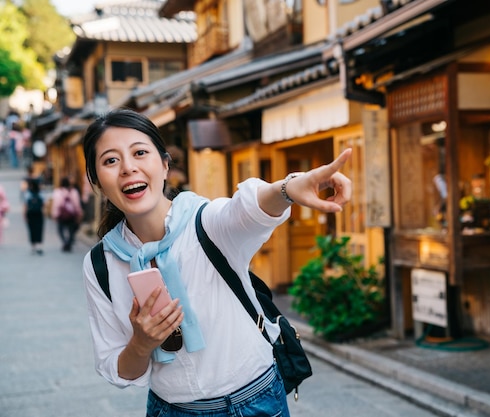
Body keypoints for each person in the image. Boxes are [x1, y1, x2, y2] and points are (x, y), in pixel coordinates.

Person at [81, 109, 352, 417]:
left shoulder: (206, 222)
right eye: (110, 160)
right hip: (171, 410)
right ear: (97, 182)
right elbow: (119, 368)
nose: (128, 168)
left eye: (140, 153)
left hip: (255, 403)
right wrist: (142, 344)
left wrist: (287, 189)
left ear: (165, 165)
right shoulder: (100, 264)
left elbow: (246, 209)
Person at [51, 176, 83, 252]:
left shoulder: (57, 192)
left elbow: (56, 204)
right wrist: (79, 212)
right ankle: (68, 242)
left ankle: (65, 242)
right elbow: (76, 204)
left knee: (60, 230)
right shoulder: (74, 191)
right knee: (71, 230)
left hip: (61, 214)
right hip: (71, 214)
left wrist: (54, 214)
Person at [23, 178, 45, 254]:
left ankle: (33, 246)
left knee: (32, 229)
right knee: (39, 229)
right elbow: (44, 205)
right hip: (39, 213)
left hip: (31, 214)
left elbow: (25, 206)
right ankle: (39, 245)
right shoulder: (41, 193)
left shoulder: (28, 194)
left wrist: (25, 215)